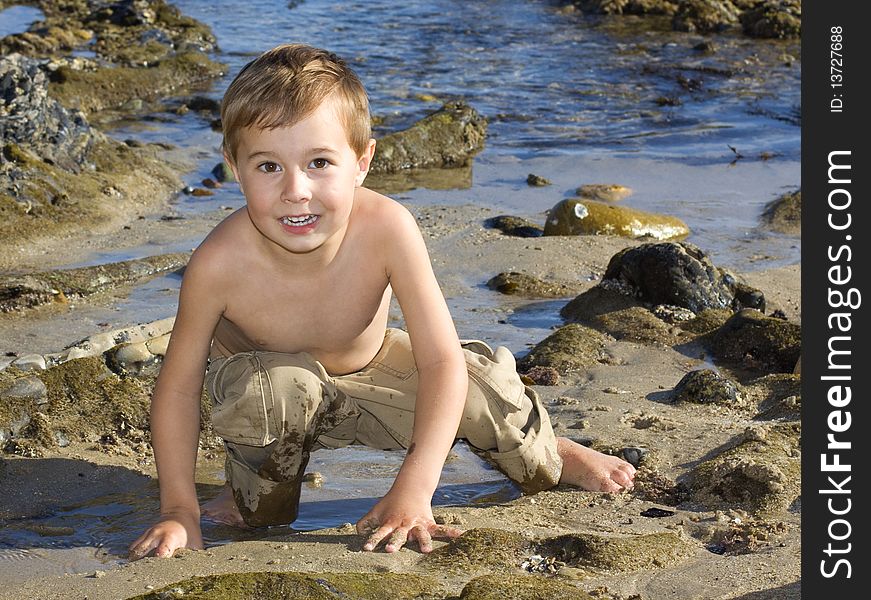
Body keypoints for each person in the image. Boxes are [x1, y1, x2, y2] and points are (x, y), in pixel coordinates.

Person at [129, 43, 635, 560]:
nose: (297, 190)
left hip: (376, 372)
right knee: (270, 416)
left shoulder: (389, 228)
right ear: (234, 167)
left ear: (362, 161)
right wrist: (178, 510)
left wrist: (414, 490)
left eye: (320, 162)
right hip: (275, 404)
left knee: (481, 385)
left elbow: (439, 361)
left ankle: (549, 451)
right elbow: (178, 388)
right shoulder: (218, 264)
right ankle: (254, 495)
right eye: (268, 167)